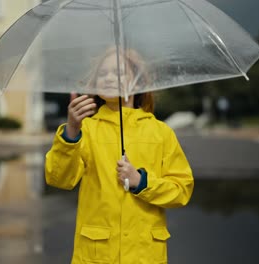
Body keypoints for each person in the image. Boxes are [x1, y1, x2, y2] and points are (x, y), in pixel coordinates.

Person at [45, 47, 194, 264]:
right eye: (103, 74)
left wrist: (141, 182)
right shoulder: (86, 129)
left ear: (138, 81)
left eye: (118, 72)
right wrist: (71, 132)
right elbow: (59, 179)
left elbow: (182, 190)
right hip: (97, 256)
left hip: (145, 255)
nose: (109, 78)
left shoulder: (160, 133)